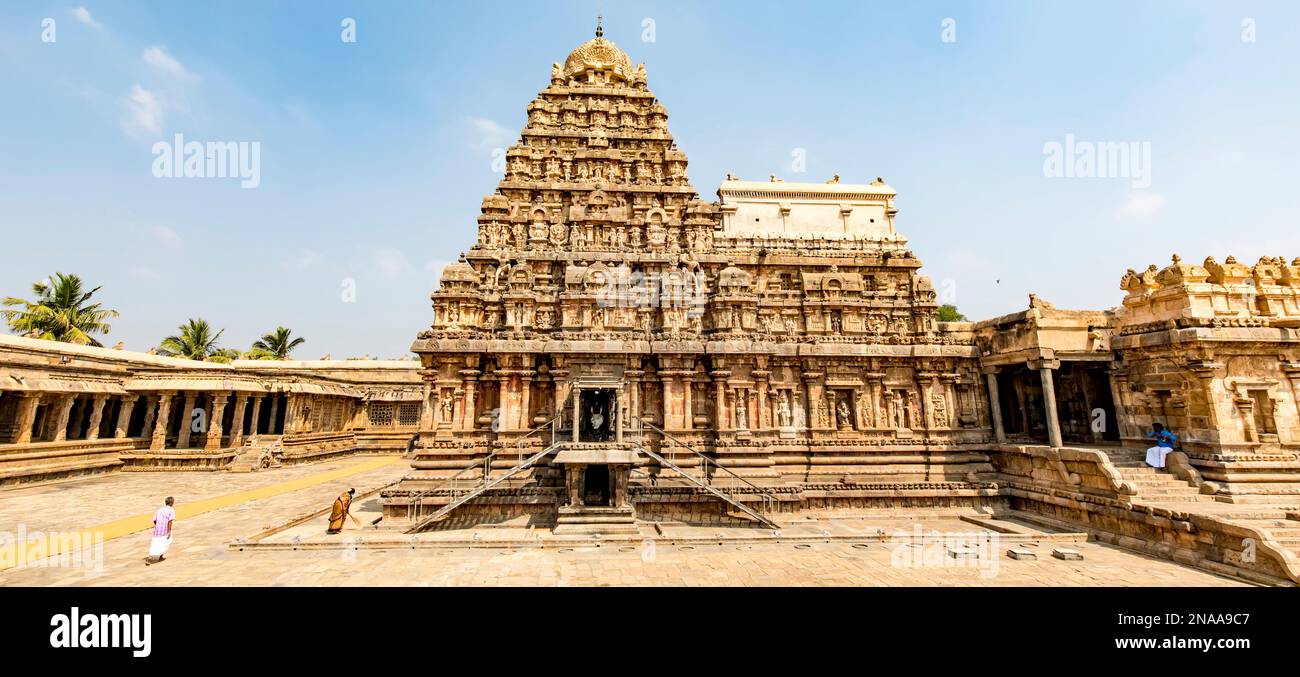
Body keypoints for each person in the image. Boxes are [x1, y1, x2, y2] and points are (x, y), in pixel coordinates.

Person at [145, 497, 175, 565]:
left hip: (157, 530)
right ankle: (160, 556)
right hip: (165, 529)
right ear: (171, 503)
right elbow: (170, 521)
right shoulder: (171, 510)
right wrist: (169, 531)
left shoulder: (159, 510)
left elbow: (154, 520)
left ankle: (150, 556)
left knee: (155, 543)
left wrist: (157, 526)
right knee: (166, 542)